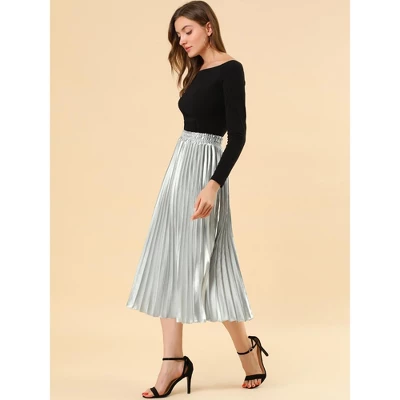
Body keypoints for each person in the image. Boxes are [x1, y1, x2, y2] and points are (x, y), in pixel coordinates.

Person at [125, 1, 269, 398]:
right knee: (167, 257)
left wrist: (213, 185)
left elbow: (238, 136)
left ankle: (247, 350)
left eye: (187, 31)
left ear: (208, 26)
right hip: (178, 170)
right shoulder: (196, 70)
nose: (182, 40)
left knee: (212, 264)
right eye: (177, 35)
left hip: (206, 170)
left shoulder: (230, 69)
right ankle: (172, 361)